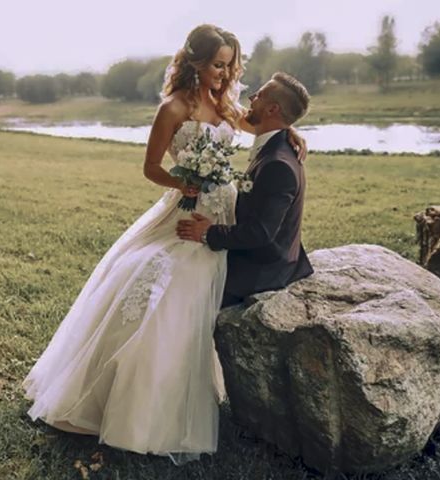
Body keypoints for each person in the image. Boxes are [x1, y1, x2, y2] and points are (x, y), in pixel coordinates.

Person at [23, 25, 306, 464]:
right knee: (159, 286)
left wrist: (292, 134)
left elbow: (261, 125)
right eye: (218, 64)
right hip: (187, 207)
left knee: (197, 295)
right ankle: (123, 406)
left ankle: (187, 391)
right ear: (195, 62)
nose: (225, 72)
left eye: (230, 64)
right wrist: (187, 181)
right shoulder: (173, 107)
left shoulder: (224, 103)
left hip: (223, 214)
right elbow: (151, 167)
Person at [176, 72, 314, 307]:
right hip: (263, 256)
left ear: (272, 110)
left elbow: (261, 233)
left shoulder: (278, 164)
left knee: (182, 287)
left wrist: (209, 233)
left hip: (262, 271)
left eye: (258, 95)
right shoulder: (277, 145)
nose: (251, 99)